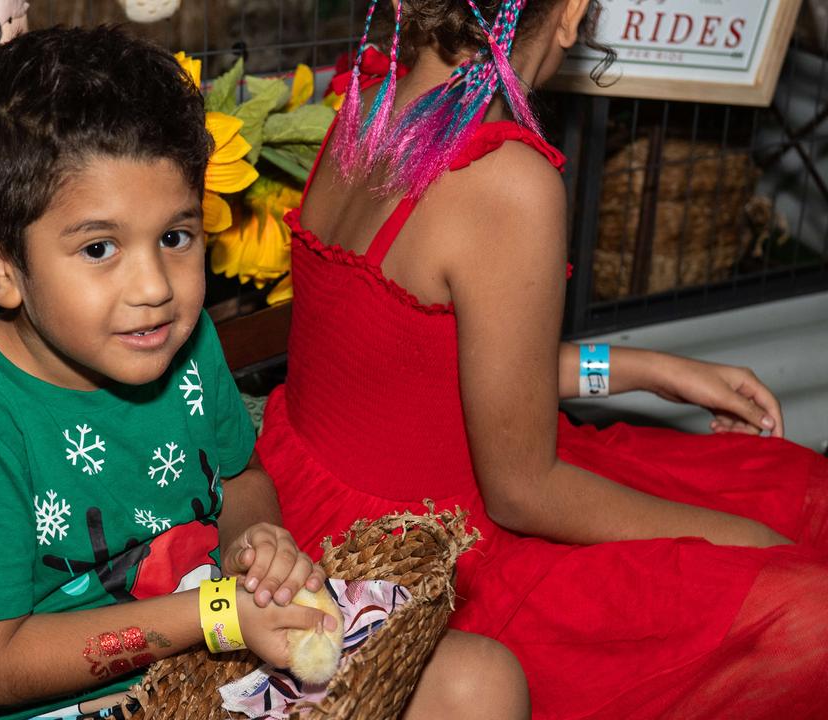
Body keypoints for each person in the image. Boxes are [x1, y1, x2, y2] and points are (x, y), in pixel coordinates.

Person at [0, 26, 528, 720]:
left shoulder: (177, 340)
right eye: (100, 247)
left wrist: (254, 542)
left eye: (175, 237)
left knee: (477, 678)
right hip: (86, 706)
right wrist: (214, 615)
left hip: (219, 656)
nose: (154, 287)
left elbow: (240, 480)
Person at [258, 0, 828, 716]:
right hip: (433, 561)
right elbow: (522, 491)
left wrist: (648, 369)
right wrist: (751, 548)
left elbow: (425, 370)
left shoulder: (367, 108)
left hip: (326, 506)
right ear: (574, 14)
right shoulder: (505, 180)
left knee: (788, 486)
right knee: (803, 604)